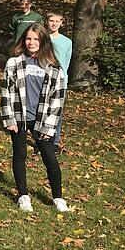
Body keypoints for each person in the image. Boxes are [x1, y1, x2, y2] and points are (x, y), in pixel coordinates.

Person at [1, 23, 69, 213]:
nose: (31, 42)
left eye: (35, 39)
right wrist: (10, 119)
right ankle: (23, 195)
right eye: (28, 39)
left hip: (42, 120)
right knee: (19, 155)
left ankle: (58, 197)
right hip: (20, 117)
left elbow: (58, 99)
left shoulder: (54, 67)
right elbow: (7, 92)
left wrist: (49, 127)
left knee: (50, 160)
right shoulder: (14, 63)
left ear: (43, 41)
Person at [46, 10, 72, 152]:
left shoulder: (67, 42)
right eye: (51, 21)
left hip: (60, 81)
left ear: (61, 23)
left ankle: (55, 142)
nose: (54, 23)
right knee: (43, 110)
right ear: (47, 22)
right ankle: (43, 139)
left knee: (57, 112)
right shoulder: (41, 38)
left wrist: (63, 77)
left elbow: (66, 61)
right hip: (43, 78)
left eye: (57, 21)